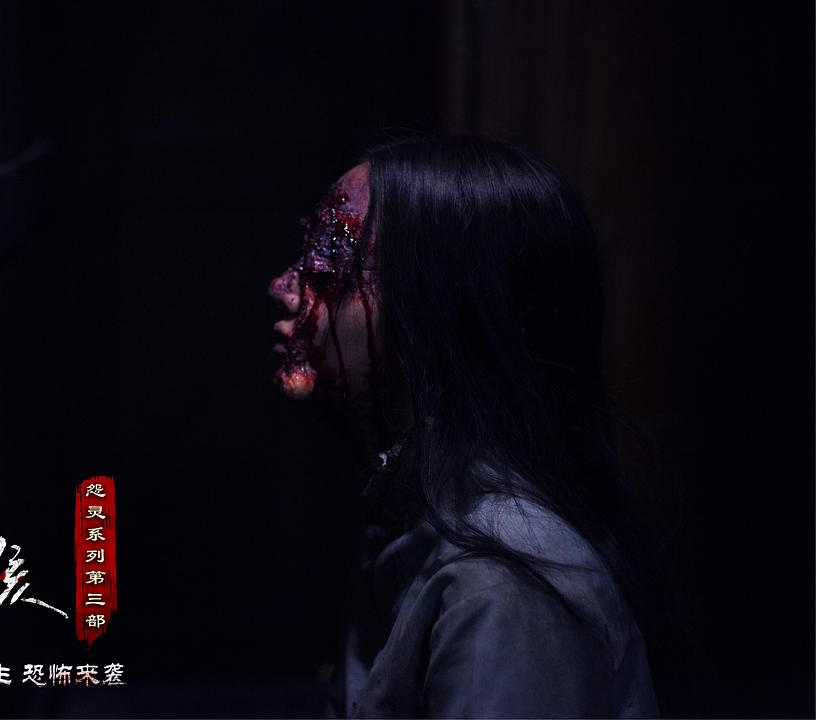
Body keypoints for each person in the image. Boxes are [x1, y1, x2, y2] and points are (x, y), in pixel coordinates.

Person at [268, 133, 664, 718]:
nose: (283, 285)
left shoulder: (502, 585)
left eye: (333, 253)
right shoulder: (411, 529)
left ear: (437, 306)